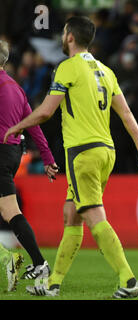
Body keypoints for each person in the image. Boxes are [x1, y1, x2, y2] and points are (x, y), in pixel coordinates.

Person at [4, 16, 138, 298]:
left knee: (94, 215)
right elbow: (125, 113)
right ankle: (53, 284)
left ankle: (129, 280)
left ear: (70, 37)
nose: (63, 38)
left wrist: (16, 127)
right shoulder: (106, 71)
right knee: (71, 215)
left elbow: (45, 112)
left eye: (64, 34)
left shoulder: (67, 68)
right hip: (105, 151)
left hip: (83, 152)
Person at [0, 39, 58, 292]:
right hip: (13, 152)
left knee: (10, 210)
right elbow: (33, 123)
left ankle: (36, 261)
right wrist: (47, 158)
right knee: (8, 209)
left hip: (1, 151)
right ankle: (16, 259)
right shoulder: (16, 87)